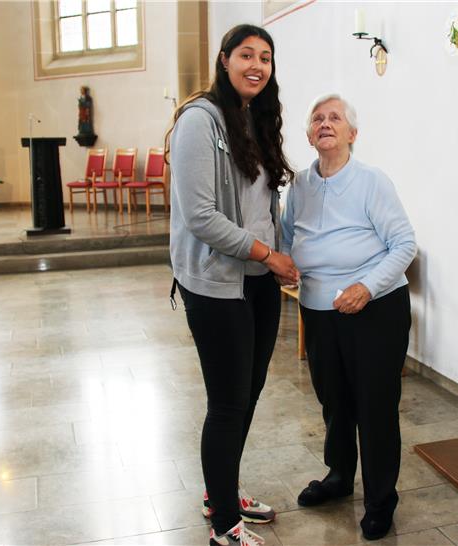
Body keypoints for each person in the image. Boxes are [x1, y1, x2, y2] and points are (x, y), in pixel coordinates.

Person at [167, 24, 299, 546]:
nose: (257, 65)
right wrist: (270, 255)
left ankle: (220, 491)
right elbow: (200, 216)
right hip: (217, 283)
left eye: (265, 57)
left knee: (248, 393)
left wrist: (281, 255)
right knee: (226, 402)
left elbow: (264, 206)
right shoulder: (200, 121)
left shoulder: (254, 117)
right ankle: (225, 525)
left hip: (258, 279)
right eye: (246, 54)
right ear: (224, 60)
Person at [280, 94, 416, 541]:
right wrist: (284, 263)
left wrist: (366, 287)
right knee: (335, 403)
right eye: (317, 118)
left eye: (334, 117)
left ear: (352, 134)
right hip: (318, 310)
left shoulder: (371, 182)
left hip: (374, 309)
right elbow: (285, 238)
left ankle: (380, 501)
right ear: (308, 134)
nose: (325, 123)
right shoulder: (298, 186)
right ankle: (339, 478)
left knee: (375, 407)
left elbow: (404, 245)